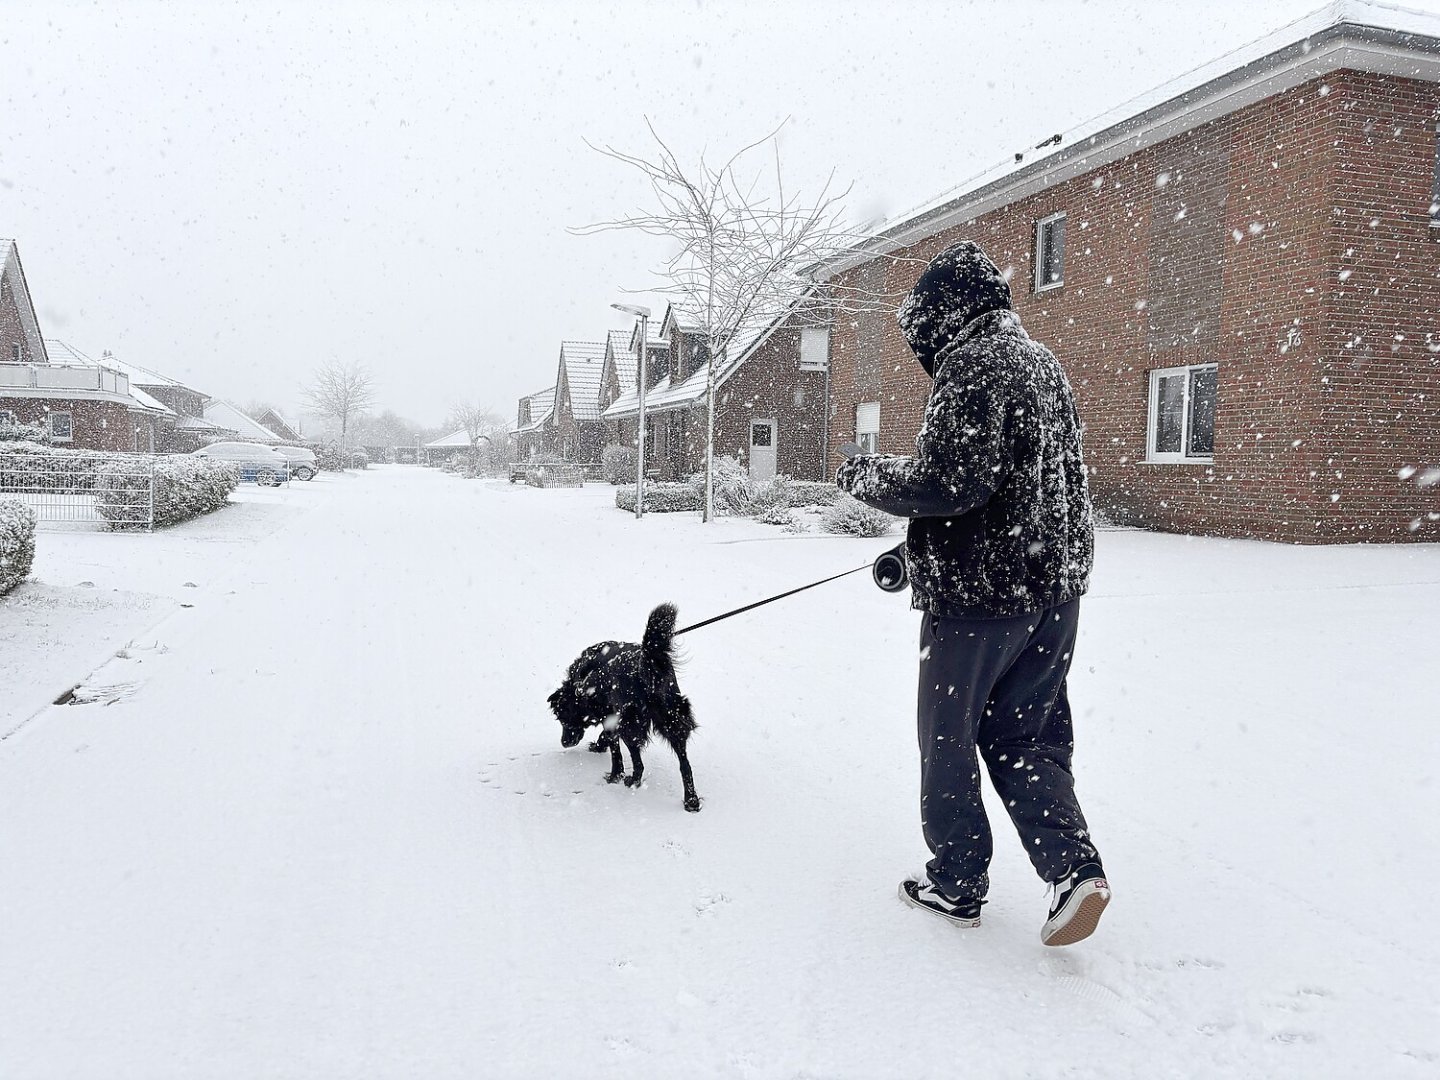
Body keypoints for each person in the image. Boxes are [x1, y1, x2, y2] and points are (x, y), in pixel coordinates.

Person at [836, 240, 1108, 946]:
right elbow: (1022, 490)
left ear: (941, 314)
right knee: (1027, 738)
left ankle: (956, 882)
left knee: (949, 741)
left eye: (919, 332)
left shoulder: (973, 365)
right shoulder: (1041, 363)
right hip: (1054, 594)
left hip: (981, 605)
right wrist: (918, 551)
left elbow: (950, 483)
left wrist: (865, 478)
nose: (920, 348)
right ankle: (1074, 870)